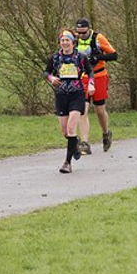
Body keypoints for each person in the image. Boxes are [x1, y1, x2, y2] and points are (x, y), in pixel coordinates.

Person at [44, 30, 95, 174]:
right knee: (66, 133)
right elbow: (46, 72)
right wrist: (52, 78)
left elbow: (90, 72)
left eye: (68, 40)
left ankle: (67, 163)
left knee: (72, 129)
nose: (65, 43)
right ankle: (75, 143)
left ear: (73, 42)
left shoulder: (81, 57)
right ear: (60, 43)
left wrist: (91, 84)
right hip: (61, 96)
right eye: (62, 40)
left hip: (77, 95)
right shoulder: (55, 58)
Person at [74, 18, 118, 154]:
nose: (81, 35)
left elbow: (114, 55)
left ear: (89, 29)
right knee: (83, 110)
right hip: (83, 78)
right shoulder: (74, 39)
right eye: (78, 33)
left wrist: (98, 58)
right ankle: (85, 143)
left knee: (99, 110)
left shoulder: (98, 38)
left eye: (83, 33)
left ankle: (106, 133)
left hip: (99, 76)